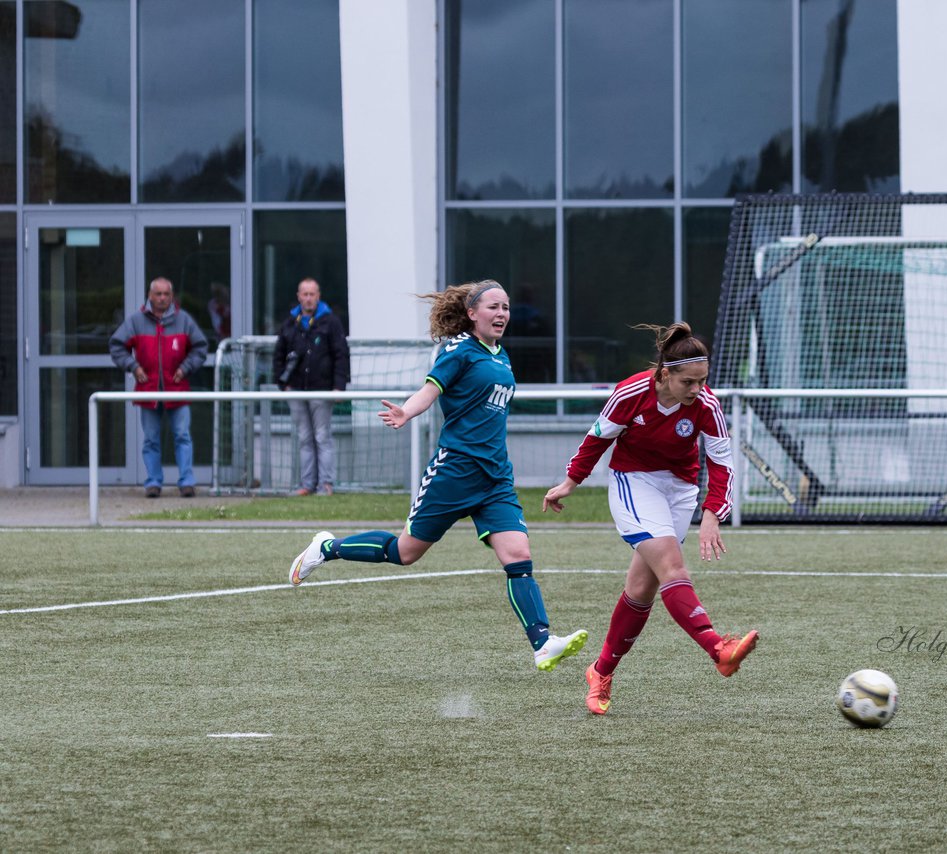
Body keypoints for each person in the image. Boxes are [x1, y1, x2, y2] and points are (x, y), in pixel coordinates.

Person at [287, 279, 588, 672]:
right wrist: (406, 412)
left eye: (506, 307)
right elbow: (431, 389)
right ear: (472, 313)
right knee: (404, 553)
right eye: (494, 307)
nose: (502, 314)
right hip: (455, 470)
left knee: (519, 556)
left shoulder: (501, 355)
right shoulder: (458, 350)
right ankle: (326, 548)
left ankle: (542, 642)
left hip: (495, 477)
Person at [542, 321, 758, 716]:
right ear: (664, 374)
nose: (697, 390)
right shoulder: (630, 393)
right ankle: (718, 648)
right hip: (634, 482)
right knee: (673, 566)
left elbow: (721, 461)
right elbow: (597, 439)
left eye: (702, 381)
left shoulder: (707, 404)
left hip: (680, 490)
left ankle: (600, 671)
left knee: (641, 589)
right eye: (688, 382)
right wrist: (571, 482)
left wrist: (712, 514)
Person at [109, 277, 209, 498]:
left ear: (171, 296)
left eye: (166, 294)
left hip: (177, 389)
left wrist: (185, 368)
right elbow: (117, 346)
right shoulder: (135, 321)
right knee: (151, 439)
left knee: (182, 436)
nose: (162, 298)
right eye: (158, 294)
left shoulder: (184, 320)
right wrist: (133, 367)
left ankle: (187, 482)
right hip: (148, 390)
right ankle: (153, 482)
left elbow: (200, 348)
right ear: (150, 295)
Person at [273, 277, 351, 496]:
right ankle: (307, 484)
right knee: (305, 437)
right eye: (304, 294)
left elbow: (341, 355)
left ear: (318, 296)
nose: (308, 298)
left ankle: (325, 485)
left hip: (322, 389)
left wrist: (338, 386)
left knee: (321, 436)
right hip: (296, 389)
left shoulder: (331, 322)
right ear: (299, 296)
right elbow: (278, 355)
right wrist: (283, 384)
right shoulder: (290, 322)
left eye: (312, 294)